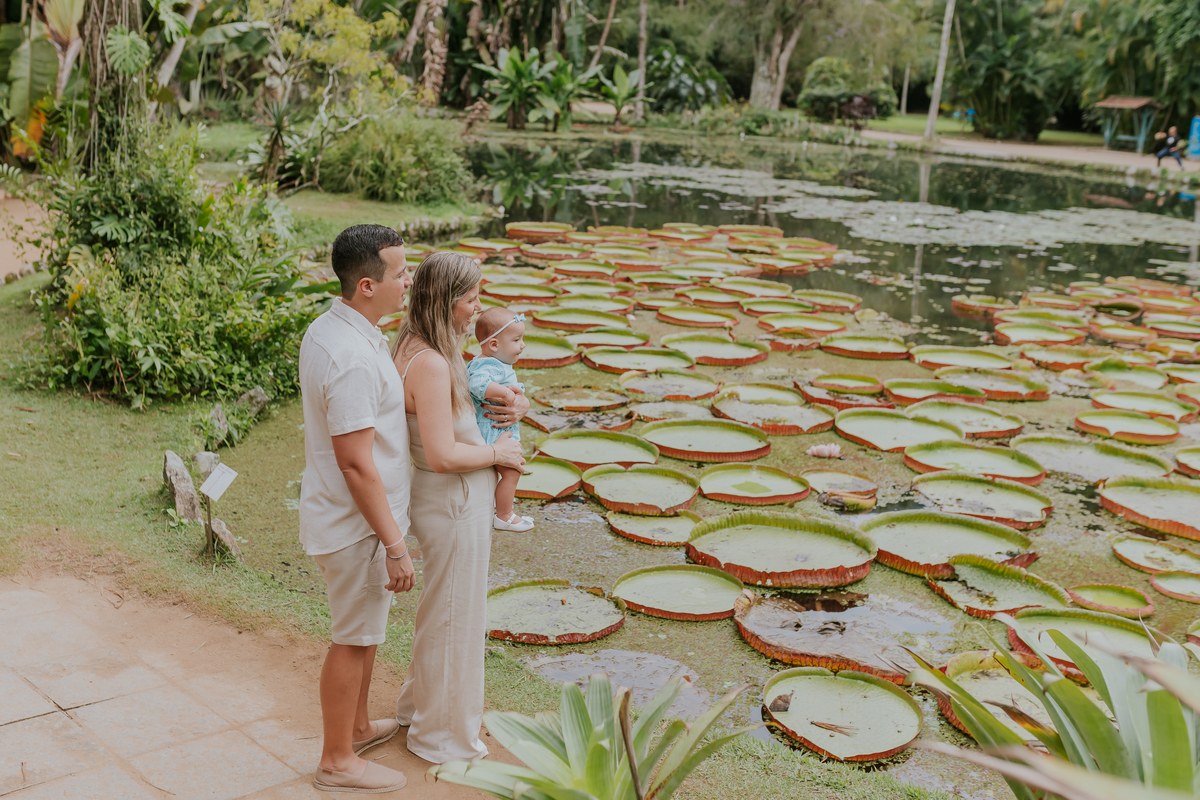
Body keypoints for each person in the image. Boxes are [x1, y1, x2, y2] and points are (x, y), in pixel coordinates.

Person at [391, 251, 528, 763]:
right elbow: (445, 452)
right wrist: (499, 452)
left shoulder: (417, 342)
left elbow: (473, 403)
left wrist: (518, 404)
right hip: (452, 501)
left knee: (441, 612)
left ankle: (417, 711)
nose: (477, 309)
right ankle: (442, 737)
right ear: (447, 301)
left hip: (447, 500)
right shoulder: (428, 362)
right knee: (458, 618)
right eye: (471, 300)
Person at [298, 224, 415, 794]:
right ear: (367, 284)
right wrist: (394, 543)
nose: (409, 280)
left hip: (354, 517)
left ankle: (360, 726)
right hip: (357, 525)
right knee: (351, 636)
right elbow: (356, 464)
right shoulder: (348, 356)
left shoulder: (340, 326)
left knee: (367, 631)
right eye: (401, 272)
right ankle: (336, 760)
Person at [467, 307, 534, 532]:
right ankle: (504, 515)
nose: (522, 345)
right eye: (516, 339)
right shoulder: (490, 364)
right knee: (511, 471)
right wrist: (507, 395)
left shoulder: (494, 363)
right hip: (493, 429)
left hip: (496, 427)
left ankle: (501, 512)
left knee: (507, 472)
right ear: (494, 345)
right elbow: (478, 385)